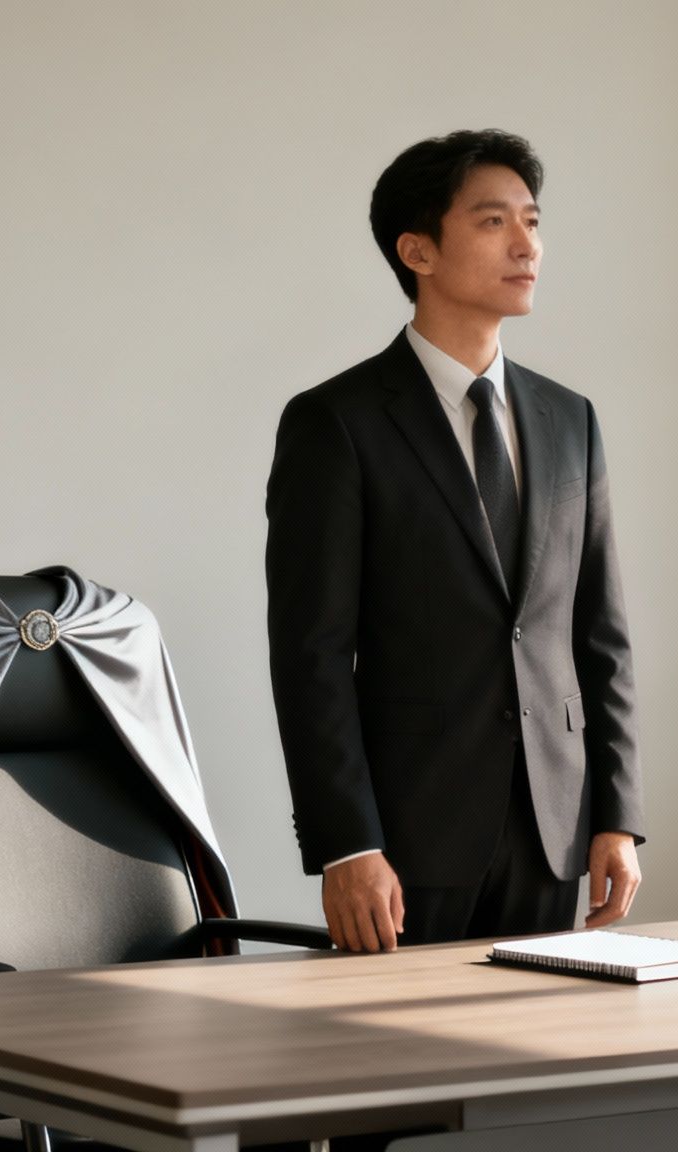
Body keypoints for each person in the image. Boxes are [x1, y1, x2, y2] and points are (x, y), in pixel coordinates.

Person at [265, 128, 645, 952]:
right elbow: (311, 655)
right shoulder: (337, 424)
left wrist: (616, 816)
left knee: (542, 1032)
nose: (526, 246)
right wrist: (347, 844)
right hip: (406, 841)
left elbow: (599, 635)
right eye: (493, 222)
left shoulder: (569, 420)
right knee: (393, 1037)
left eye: (532, 222)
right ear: (418, 251)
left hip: (553, 827)